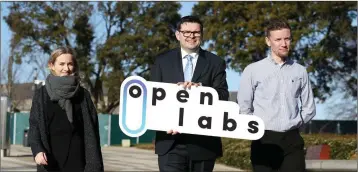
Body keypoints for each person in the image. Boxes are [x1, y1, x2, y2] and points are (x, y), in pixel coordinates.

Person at [150, 15, 229, 172]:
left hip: (203, 144)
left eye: (196, 32)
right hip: (170, 142)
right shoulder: (162, 61)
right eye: (186, 32)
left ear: (202, 34)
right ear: (178, 34)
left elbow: (223, 96)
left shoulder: (216, 62)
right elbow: (152, 98)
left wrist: (201, 90)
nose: (191, 36)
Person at [237, 19, 316, 172]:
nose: (284, 43)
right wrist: (255, 127)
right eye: (278, 39)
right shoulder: (252, 70)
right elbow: (244, 107)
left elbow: (309, 107)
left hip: (292, 140)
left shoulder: (300, 71)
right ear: (268, 41)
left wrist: (296, 122)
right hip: (263, 139)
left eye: (287, 39)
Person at [28, 47, 104, 172]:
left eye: (70, 64)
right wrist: (37, 151)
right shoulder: (41, 95)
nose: (66, 68)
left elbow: (92, 133)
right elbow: (34, 126)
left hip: (79, 162)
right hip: (50, 161)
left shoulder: (83, 96)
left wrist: (93, 164)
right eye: (61, 64)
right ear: (52, 65)